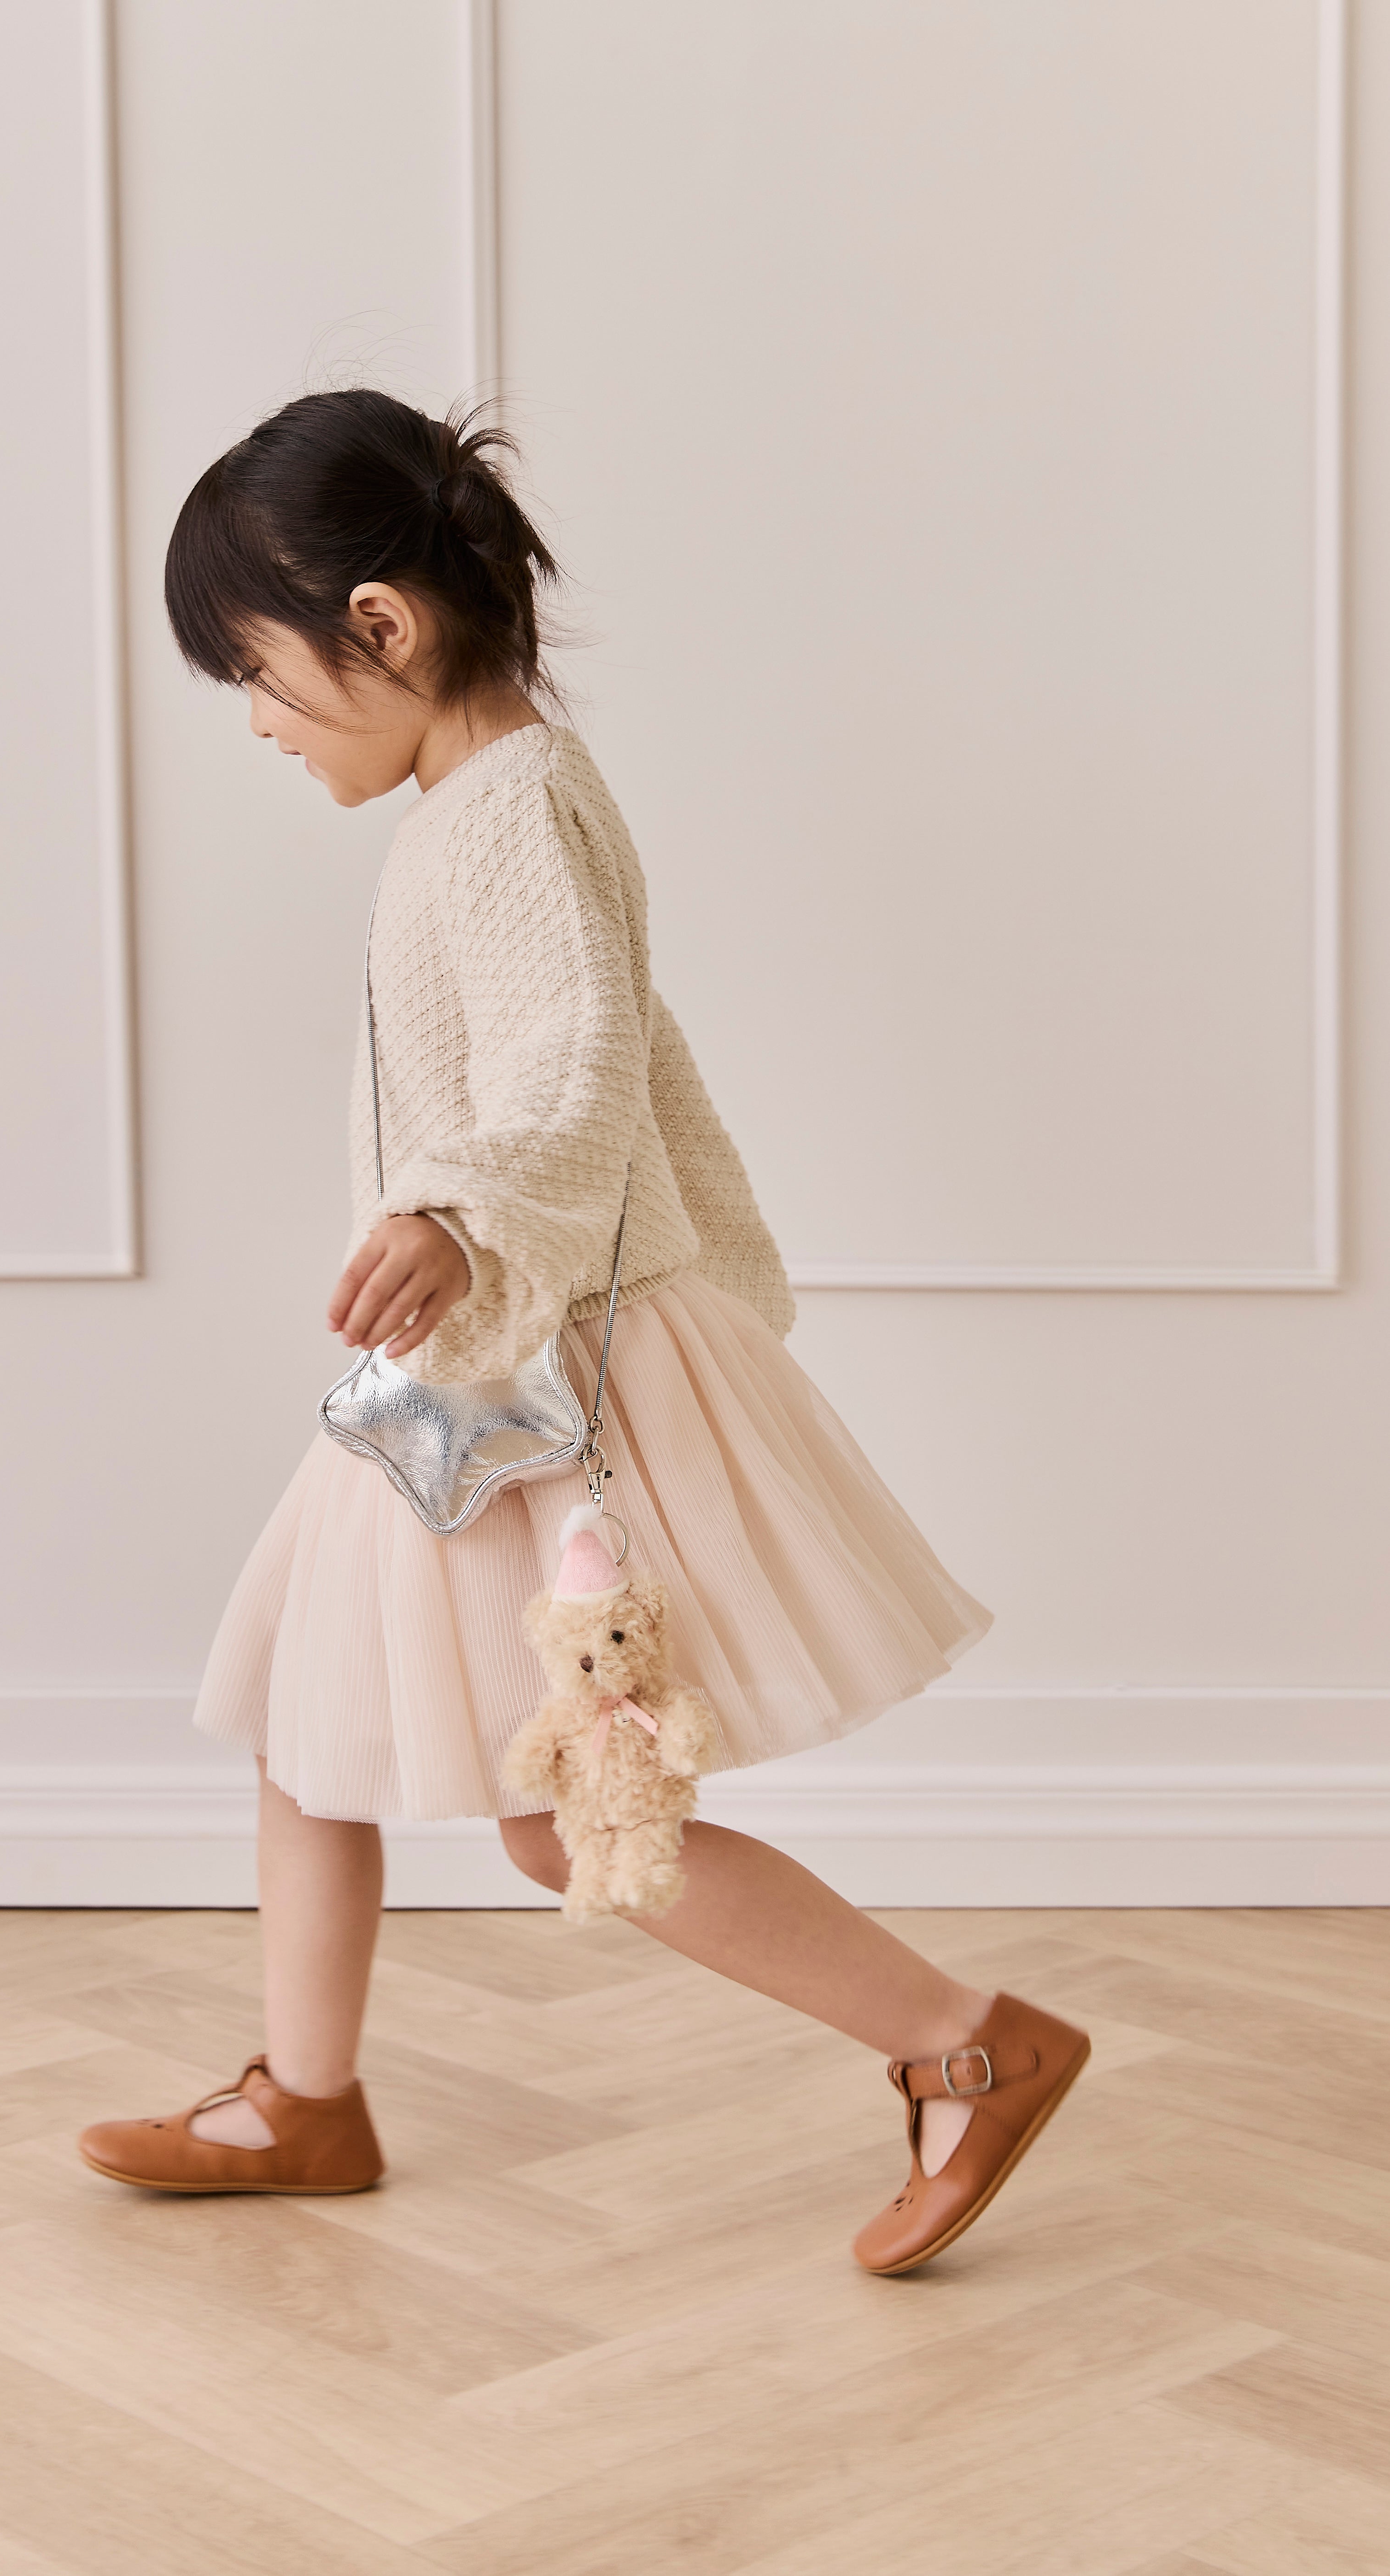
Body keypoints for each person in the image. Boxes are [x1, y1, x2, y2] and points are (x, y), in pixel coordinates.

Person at [76, 390, 1089, 2274]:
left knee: (572, 1813)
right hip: (469, 1364)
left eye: (261, 676)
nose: (259, 723)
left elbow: (581, 1061)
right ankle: (307, 2094)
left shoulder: (515, 813)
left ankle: (970, 2043)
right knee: (312, 1721)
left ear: (383, 624)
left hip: (536, 1368)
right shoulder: (479, 805)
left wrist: (458, 1213)